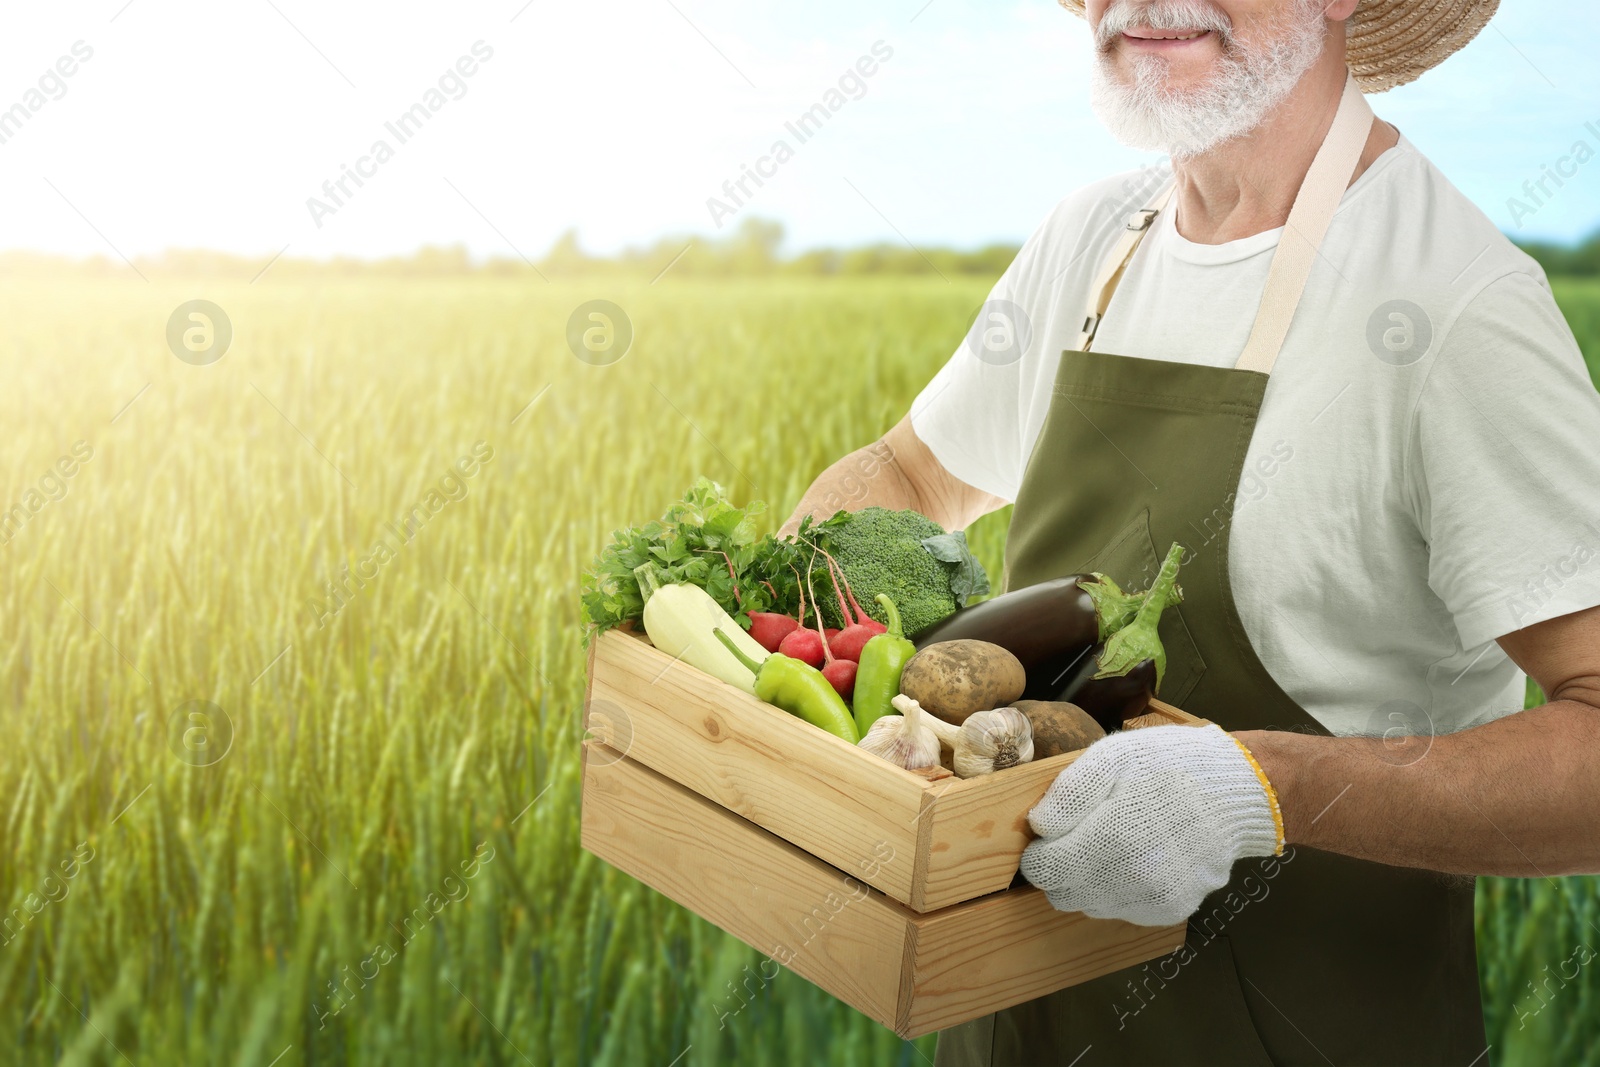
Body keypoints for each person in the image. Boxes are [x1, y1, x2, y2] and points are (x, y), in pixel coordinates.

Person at [778, 0, 1600, 1063]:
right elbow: (907, 472)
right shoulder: (1091, 240)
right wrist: (777, 610)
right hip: (1012, 1028)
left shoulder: (1451, 302)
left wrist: (1267, 788)